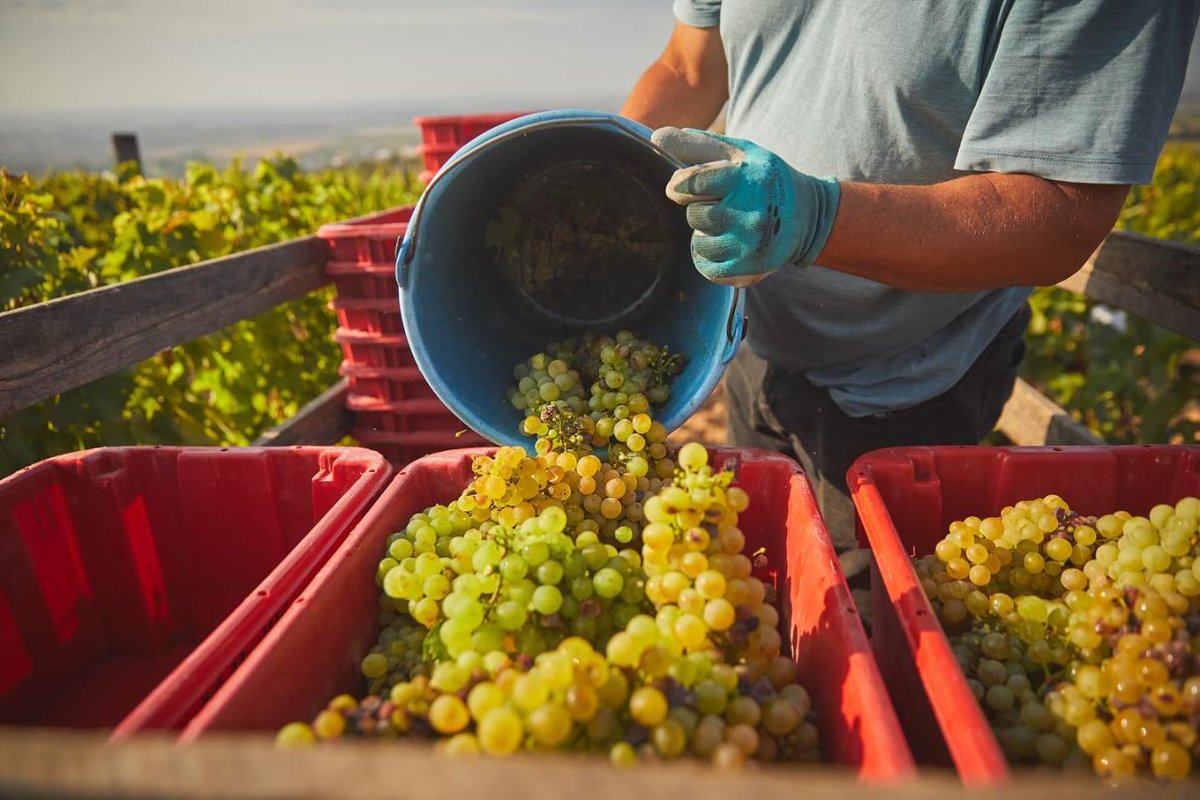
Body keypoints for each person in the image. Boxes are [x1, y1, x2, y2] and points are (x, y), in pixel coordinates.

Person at [620, 1, 1198, 578]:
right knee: (761, 581)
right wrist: (604, 175)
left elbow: (1059, 216)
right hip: (751, 347)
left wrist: (816, 216)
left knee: (865, 632)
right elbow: (688, 69)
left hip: (901, 392)